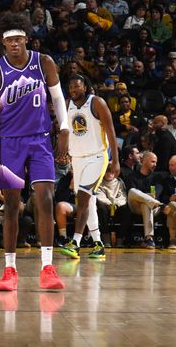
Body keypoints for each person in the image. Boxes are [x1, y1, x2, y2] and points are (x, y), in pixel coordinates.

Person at [0, 12, 68, 291]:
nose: (14, 43)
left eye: (18, 38)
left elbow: (58, 99)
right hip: (10, 143)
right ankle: (9, 269)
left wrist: (65, 130)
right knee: (11, 205)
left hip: (39, 141)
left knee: (45, 198)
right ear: (3, 42)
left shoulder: (43, 62)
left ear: (26, 38)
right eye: (8, 39)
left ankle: (48, 266)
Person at [58, 75, 120, 261]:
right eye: (71, 87)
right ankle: (98, 244)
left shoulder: (97, 102)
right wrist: (63, 150)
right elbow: (65, 131)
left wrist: (115, 160)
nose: (73, 89)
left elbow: (111, 131)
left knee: (83, 198)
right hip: (77, 159)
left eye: (77, 86)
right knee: (89, 202)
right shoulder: (67, 104)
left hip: (97, 157)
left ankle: (75, 243)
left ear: (85, 86)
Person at [125, 151, 163, 249]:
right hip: (136, 206)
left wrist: (146, 199)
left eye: (156, 162)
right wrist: (148, 197)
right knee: (133, 191)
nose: (155, 165)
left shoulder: (157, 177)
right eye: (153, 162)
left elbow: (157, 194)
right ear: (144, 161)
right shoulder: (132, 176)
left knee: (146, 204)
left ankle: (149, 238)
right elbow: (131, 194)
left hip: (153, 207)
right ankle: (151, 202)